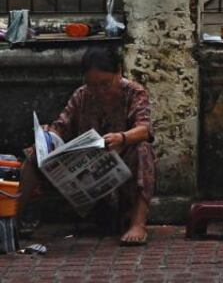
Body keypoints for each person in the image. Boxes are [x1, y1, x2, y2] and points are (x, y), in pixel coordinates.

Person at [17, 46, 156, 246]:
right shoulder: (81, 96)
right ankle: (12, 221)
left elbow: (144, 129)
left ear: (119, 73)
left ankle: (138, 223)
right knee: (33, 158)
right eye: (92, 85)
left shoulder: (134, 93)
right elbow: (61, 127)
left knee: (143, 149)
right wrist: (44, 142)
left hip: (121, 176)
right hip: (86, 183)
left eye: (105, 84)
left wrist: (122, 138)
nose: (99, 91)